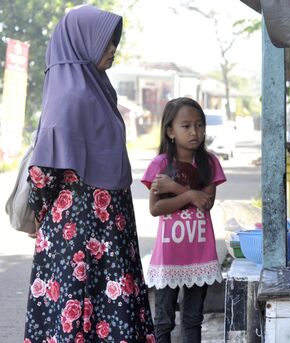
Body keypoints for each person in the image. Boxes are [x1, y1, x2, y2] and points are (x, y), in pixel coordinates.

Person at [23, 5, 155, 342]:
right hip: (83, 233)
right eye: (106, 42)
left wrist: (42, 211)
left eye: (113, 41)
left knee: (88, 313)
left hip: (94, 229)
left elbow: (42, 173)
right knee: (96, 311)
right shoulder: (74, 95)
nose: (113, 49)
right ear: (81, 43)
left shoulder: (89, 90)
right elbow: (45, 170)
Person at [141, 97, 226, 342]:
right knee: (164, 320)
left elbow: (205, 202)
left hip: (199, 253)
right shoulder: (161, 164)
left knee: (192, 319)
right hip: (169, 254)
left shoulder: (209, 162)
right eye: (186, 126)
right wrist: (190, 194)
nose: (194, 132)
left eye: (199, 125)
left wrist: (180, 190)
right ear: (170, 131)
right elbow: (156, 208)